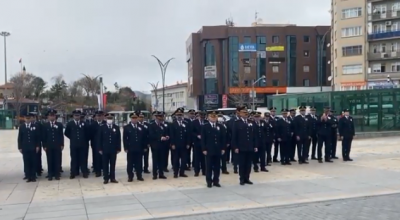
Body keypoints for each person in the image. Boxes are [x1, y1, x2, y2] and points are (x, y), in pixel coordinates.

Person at [231, 106, 257, 185]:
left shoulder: (251, 122)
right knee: (242, 164)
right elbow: (234, 136)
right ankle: (242, 178)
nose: (246, 114)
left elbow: (254, 136)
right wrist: (235, 147)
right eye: (244, 113)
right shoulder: (237, 123)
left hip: (250, 147)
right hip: (241, 147)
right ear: (240, 114)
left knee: (248, 164)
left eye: (246, 113)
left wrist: (255, 146)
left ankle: (247, 178)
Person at [202, 111, 225, 188]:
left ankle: (216, 181)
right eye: (212, 117)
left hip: (218, 149)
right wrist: (204, 149)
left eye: (215, 117)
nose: (214, 118)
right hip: (209, 149)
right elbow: (203, 139)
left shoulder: (220, 126)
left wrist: (223, 148)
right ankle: (209, 181)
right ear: (208, 117)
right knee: (209, 167)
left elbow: (223, 139)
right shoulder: (205, 126)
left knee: (217, 166)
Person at [64, 110, 90, 179]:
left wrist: (84, 140)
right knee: (74, 159)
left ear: (80, 116)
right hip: (74, 144)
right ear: (73, 116)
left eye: (78, 115)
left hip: (83, 144)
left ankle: (84, 172)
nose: (77, 117)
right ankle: (73, 172)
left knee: (83, 159)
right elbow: (66, 133)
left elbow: (88, 133)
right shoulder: (70, 124)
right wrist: (73, 138)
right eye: (75, 115)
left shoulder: (84, 124)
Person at [123, 111, 147, 182]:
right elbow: (125, 139)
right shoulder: (127, 127)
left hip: (139, 148)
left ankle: (139, 176)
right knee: (130, 163)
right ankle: (130, 176)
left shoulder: (141, 127)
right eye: (133, 118)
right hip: (130, 149)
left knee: (139, 163)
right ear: (131, 119)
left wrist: (145, 147)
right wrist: (126, 148)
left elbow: (144, 138)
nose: (134, 119)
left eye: (136, 118)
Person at [98, 113, 121, 184]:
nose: (109, 120)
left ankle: (112, 178)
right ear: (105, 119)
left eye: (111, 118)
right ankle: (106, 178)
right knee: (105, 164)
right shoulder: (102, 127)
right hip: (105, 149)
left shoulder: (116, 127)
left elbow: (118, 139)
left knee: (113, 164)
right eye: (108, 118)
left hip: (113, 149)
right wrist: (100, 149)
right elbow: (99, 139)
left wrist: (118, 148)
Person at [18, 113, 41, 182]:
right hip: (25, 147)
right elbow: (20, 138)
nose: (27, 120)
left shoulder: (35, 126)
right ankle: (28, 176)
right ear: (24, 119)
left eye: (29, 118)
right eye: (26, 118)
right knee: (26, 162)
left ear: (31, 119)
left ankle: (33, 176)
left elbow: (38, 137)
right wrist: (20, 147)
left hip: (33, 147)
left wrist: (37, 145)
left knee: (33, 162)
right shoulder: (22, 127)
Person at [42, 109, 64, 180]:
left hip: (57, 145)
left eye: (53, 116)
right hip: (49, 146)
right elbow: (44, 136)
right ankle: (50, 174)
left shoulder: (59, 125)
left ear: (55, 117)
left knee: (57, 160)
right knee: (50, 160)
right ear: (48, 117)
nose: (52, 117)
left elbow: (61, 135)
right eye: (50, 116)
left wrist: (62, 144)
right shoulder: (45, 125)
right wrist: (44, 145)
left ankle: (57, 174)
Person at [170, 108, 190, 178]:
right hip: (176, 145)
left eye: (180, 115)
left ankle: (182, 172)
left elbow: (188, 134)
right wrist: (172, 144)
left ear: (183, 115)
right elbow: (171, 135)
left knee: (184, 160)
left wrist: (188, 143)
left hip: (184, 145)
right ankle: (175, 173)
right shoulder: (172, 124)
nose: (179, 116)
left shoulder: (186, 124)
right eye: (178, 115)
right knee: (176, 160)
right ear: (175, 115)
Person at [148, 111, 168, 180]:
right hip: (155, 146)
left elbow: (165, 133)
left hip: (162, 146)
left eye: (161, 117)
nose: (160, 118)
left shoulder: (162, 125)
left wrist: (166, 137)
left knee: (161, 160)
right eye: (159, 117)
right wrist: (160, 138)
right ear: (156, 117)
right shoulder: (152, 125)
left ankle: (161, 173)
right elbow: (151, 135)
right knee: (155, 161)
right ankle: (155, 174)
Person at [91, 111, 106, 177]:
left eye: (100, 116)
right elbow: (90, 134)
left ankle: (105, 170)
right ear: (96, 116)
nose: (99, 117)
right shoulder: (93, 124)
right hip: (95, 144)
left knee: (104, 158)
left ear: (103, 116)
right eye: (98, 116)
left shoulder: (105, 124)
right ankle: (97, 171)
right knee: (96, 158)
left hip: (104, 144)